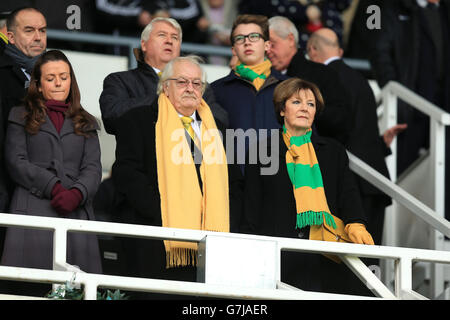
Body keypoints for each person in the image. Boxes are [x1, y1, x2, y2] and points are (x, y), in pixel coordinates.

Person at [112, 55, 243, 299]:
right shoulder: (138, 120)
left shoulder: (220, 131)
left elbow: (234, 186)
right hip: (156, 243)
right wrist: (164, 212)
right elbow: (128, 174)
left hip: (211, 248)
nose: (190, 89)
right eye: (182, 82)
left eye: (196, 83)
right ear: (165, 86)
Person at [241, 77, 374, 294]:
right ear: (282, 110)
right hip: (277, 260)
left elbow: (348, 196)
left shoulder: (333, 151)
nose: (305, 108)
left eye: (310, 104)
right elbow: (251, 208)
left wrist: (356, 223)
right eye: (296, 102)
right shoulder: (262, 151)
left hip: (323, 259)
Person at [0, 50, 102, 297]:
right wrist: (53, 186)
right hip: (33, 208)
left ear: (71, 81)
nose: (58, 83)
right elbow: (16, 161)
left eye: (64, 77)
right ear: (38, 84)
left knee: (75, 290)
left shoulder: (87, 121)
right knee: (27, 289)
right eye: (51, 78)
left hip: (76, 211)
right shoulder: (19, 115)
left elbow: (93, 168)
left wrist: (77, 193)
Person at [306, 27, 398, 247]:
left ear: (312, 50)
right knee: (371, 254)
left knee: (346, 260)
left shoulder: (323, 78)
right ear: (339, 51)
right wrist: (381, 145)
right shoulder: (360, 78)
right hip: (374, 177)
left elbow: (338, 124)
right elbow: (361, 128)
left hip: (348, 179)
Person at [99, 16, 228, 135]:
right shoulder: (120, 80)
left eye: (175, 37)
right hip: (145, 158)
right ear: (144, 44)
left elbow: (221, 121)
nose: (169, 41)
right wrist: (164, 101)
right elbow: (111, 118)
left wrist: (190, 108)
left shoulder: (197, 85)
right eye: (162, 35)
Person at [210, 14, 288, 169]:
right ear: (234, 50)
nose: (247, 42)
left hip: (282, 181)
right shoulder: (215, 91)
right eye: (240, 38)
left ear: (267, 45)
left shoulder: (291, 87)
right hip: (236, 183)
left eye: (254, 36)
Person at [0, 6, 47, 262]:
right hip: (7, 190)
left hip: (39, 191)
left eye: (42, 30)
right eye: (29, 30)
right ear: (10, 36)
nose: (38, 37)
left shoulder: (54, 76)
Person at [267, 15, 351, 144]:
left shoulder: (323, 74)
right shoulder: (265, 78)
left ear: (290, 40)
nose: (268, 51)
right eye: (265, 46)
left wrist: (307, 110)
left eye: (272, 44)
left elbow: (340, 120)